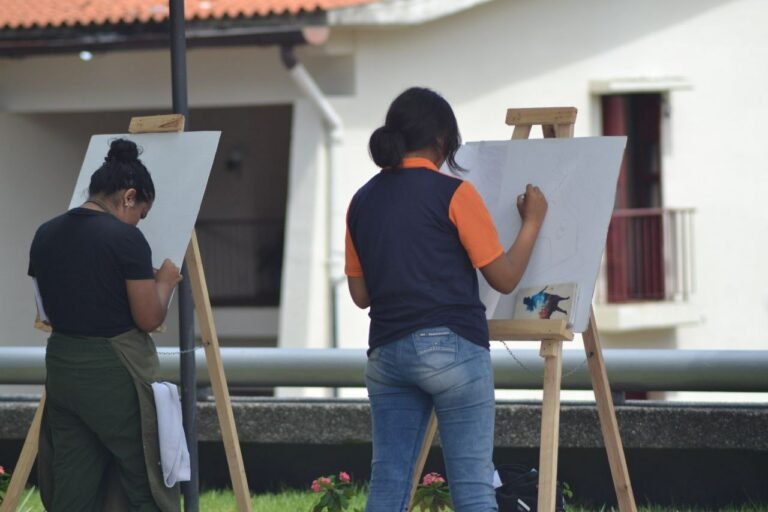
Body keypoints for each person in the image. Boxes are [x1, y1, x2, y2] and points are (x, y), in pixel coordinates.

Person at [345, 87, 548, 512]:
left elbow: (360, 295)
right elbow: (505, 278)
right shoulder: (454, 194)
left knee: (387, 488)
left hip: (386, 353)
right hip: (452, 347)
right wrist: (532, 222)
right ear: (442, 140)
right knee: (472, 490)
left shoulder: (361, 200)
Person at [28, 139, 182, 512]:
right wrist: (164, 282)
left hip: (62, 366)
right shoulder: (125, 239)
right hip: (113, 372)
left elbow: (44, 311)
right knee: (145, 477)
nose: (139, 222)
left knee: (73, 482)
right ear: (129, 197)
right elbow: (149, 318)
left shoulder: (45, 233)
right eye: (141, 213)